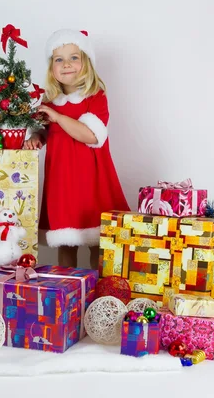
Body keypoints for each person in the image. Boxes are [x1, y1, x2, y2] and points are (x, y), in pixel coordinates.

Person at [24, 29, 130, 269]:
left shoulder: (94, 96)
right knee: (66, 241)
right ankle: (70, 292)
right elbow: (45, 131)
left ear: (86, 63)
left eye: (74, 57)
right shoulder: (50, 102)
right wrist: (36, 137)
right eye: (59, 59)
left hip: (92, 180)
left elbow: (91, 135)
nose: (67, 64)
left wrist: (58, 117)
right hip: (63, 180)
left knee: (97, 241)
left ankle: (96, 293)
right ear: (52, 67)